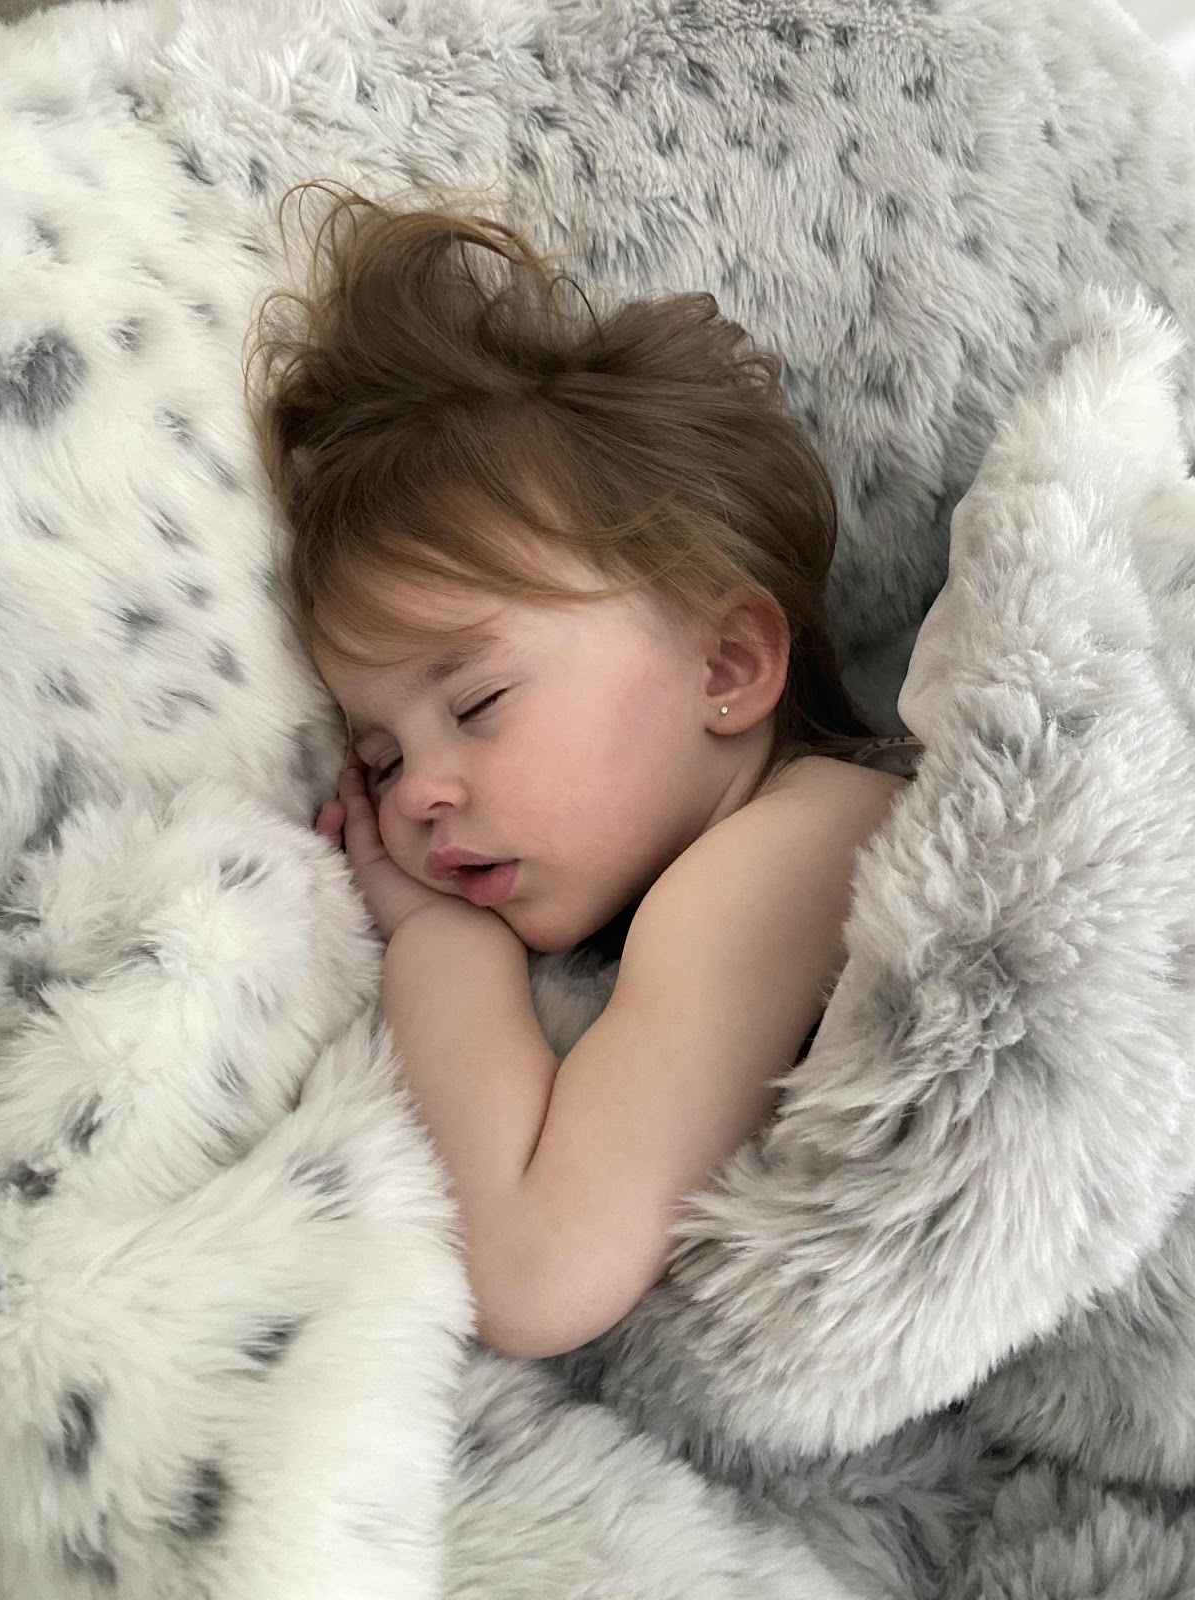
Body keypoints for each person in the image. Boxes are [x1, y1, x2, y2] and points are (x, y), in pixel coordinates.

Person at [246, 180, 923, 1361]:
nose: (415, 794)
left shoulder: (791, 858)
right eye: (381, 756)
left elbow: (534, 1270)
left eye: (477, 702)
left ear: (726, 665)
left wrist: (438, 941)